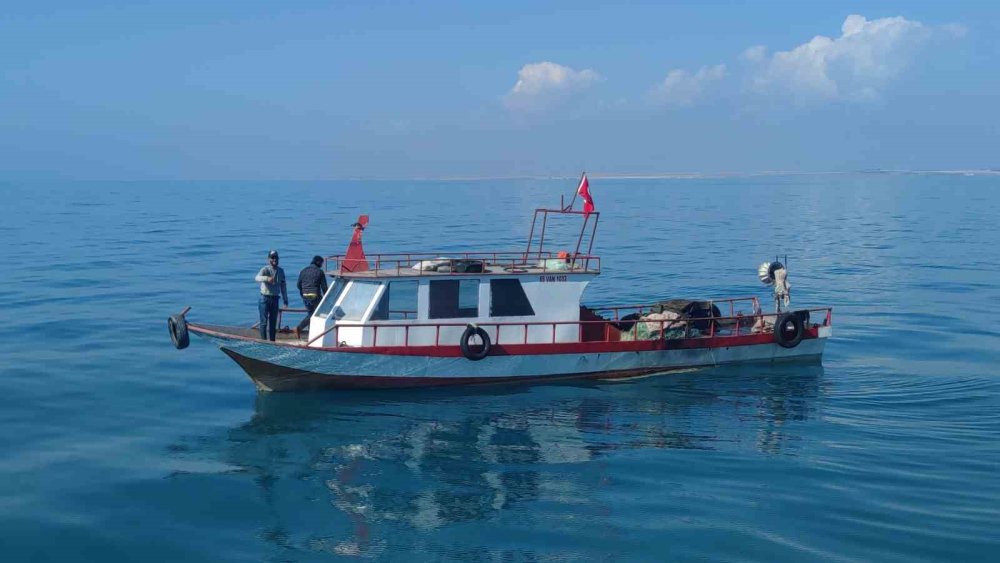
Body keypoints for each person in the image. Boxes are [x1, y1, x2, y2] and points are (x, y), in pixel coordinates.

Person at [255, 250, 288, 341]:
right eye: (272, 257)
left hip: (275, 299)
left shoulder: (281, 271)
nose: (274, 259)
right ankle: (264, 341)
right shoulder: (265, 269)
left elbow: (283, 286)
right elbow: (257, 278)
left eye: (276, 257)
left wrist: (285, 300)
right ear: (268, 259)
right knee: (264, 322)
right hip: (264, 298)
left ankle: (272, 342)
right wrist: (266, 278)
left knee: (273, 323)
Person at [295, 255, 329, 338]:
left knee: (310, 313)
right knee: (314, 314)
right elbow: (324, 288)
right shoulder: (320, 272)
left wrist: (303, 293)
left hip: (305, 296)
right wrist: (327, 298)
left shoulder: (303, 271)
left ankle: (311, 334)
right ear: (318, 262)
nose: (322, 265)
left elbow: (298, 285)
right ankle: (299, 328)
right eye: (321, 263)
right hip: (315, 296)